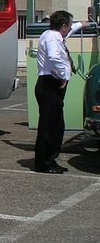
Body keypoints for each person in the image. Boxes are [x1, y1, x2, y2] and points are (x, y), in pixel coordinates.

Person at [34, 10, 90, 174]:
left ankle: (50, 160)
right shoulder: (52, 38)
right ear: (63, 26)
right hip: (50, 84)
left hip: (51, 83)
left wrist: (81, 24)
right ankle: (44, 163)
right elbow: (54, 56)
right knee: (49, 126)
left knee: (57, 125)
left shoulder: (55, 35)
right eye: (70, 25)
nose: (70, 28)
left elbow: (69, 32)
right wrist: (63, 76)